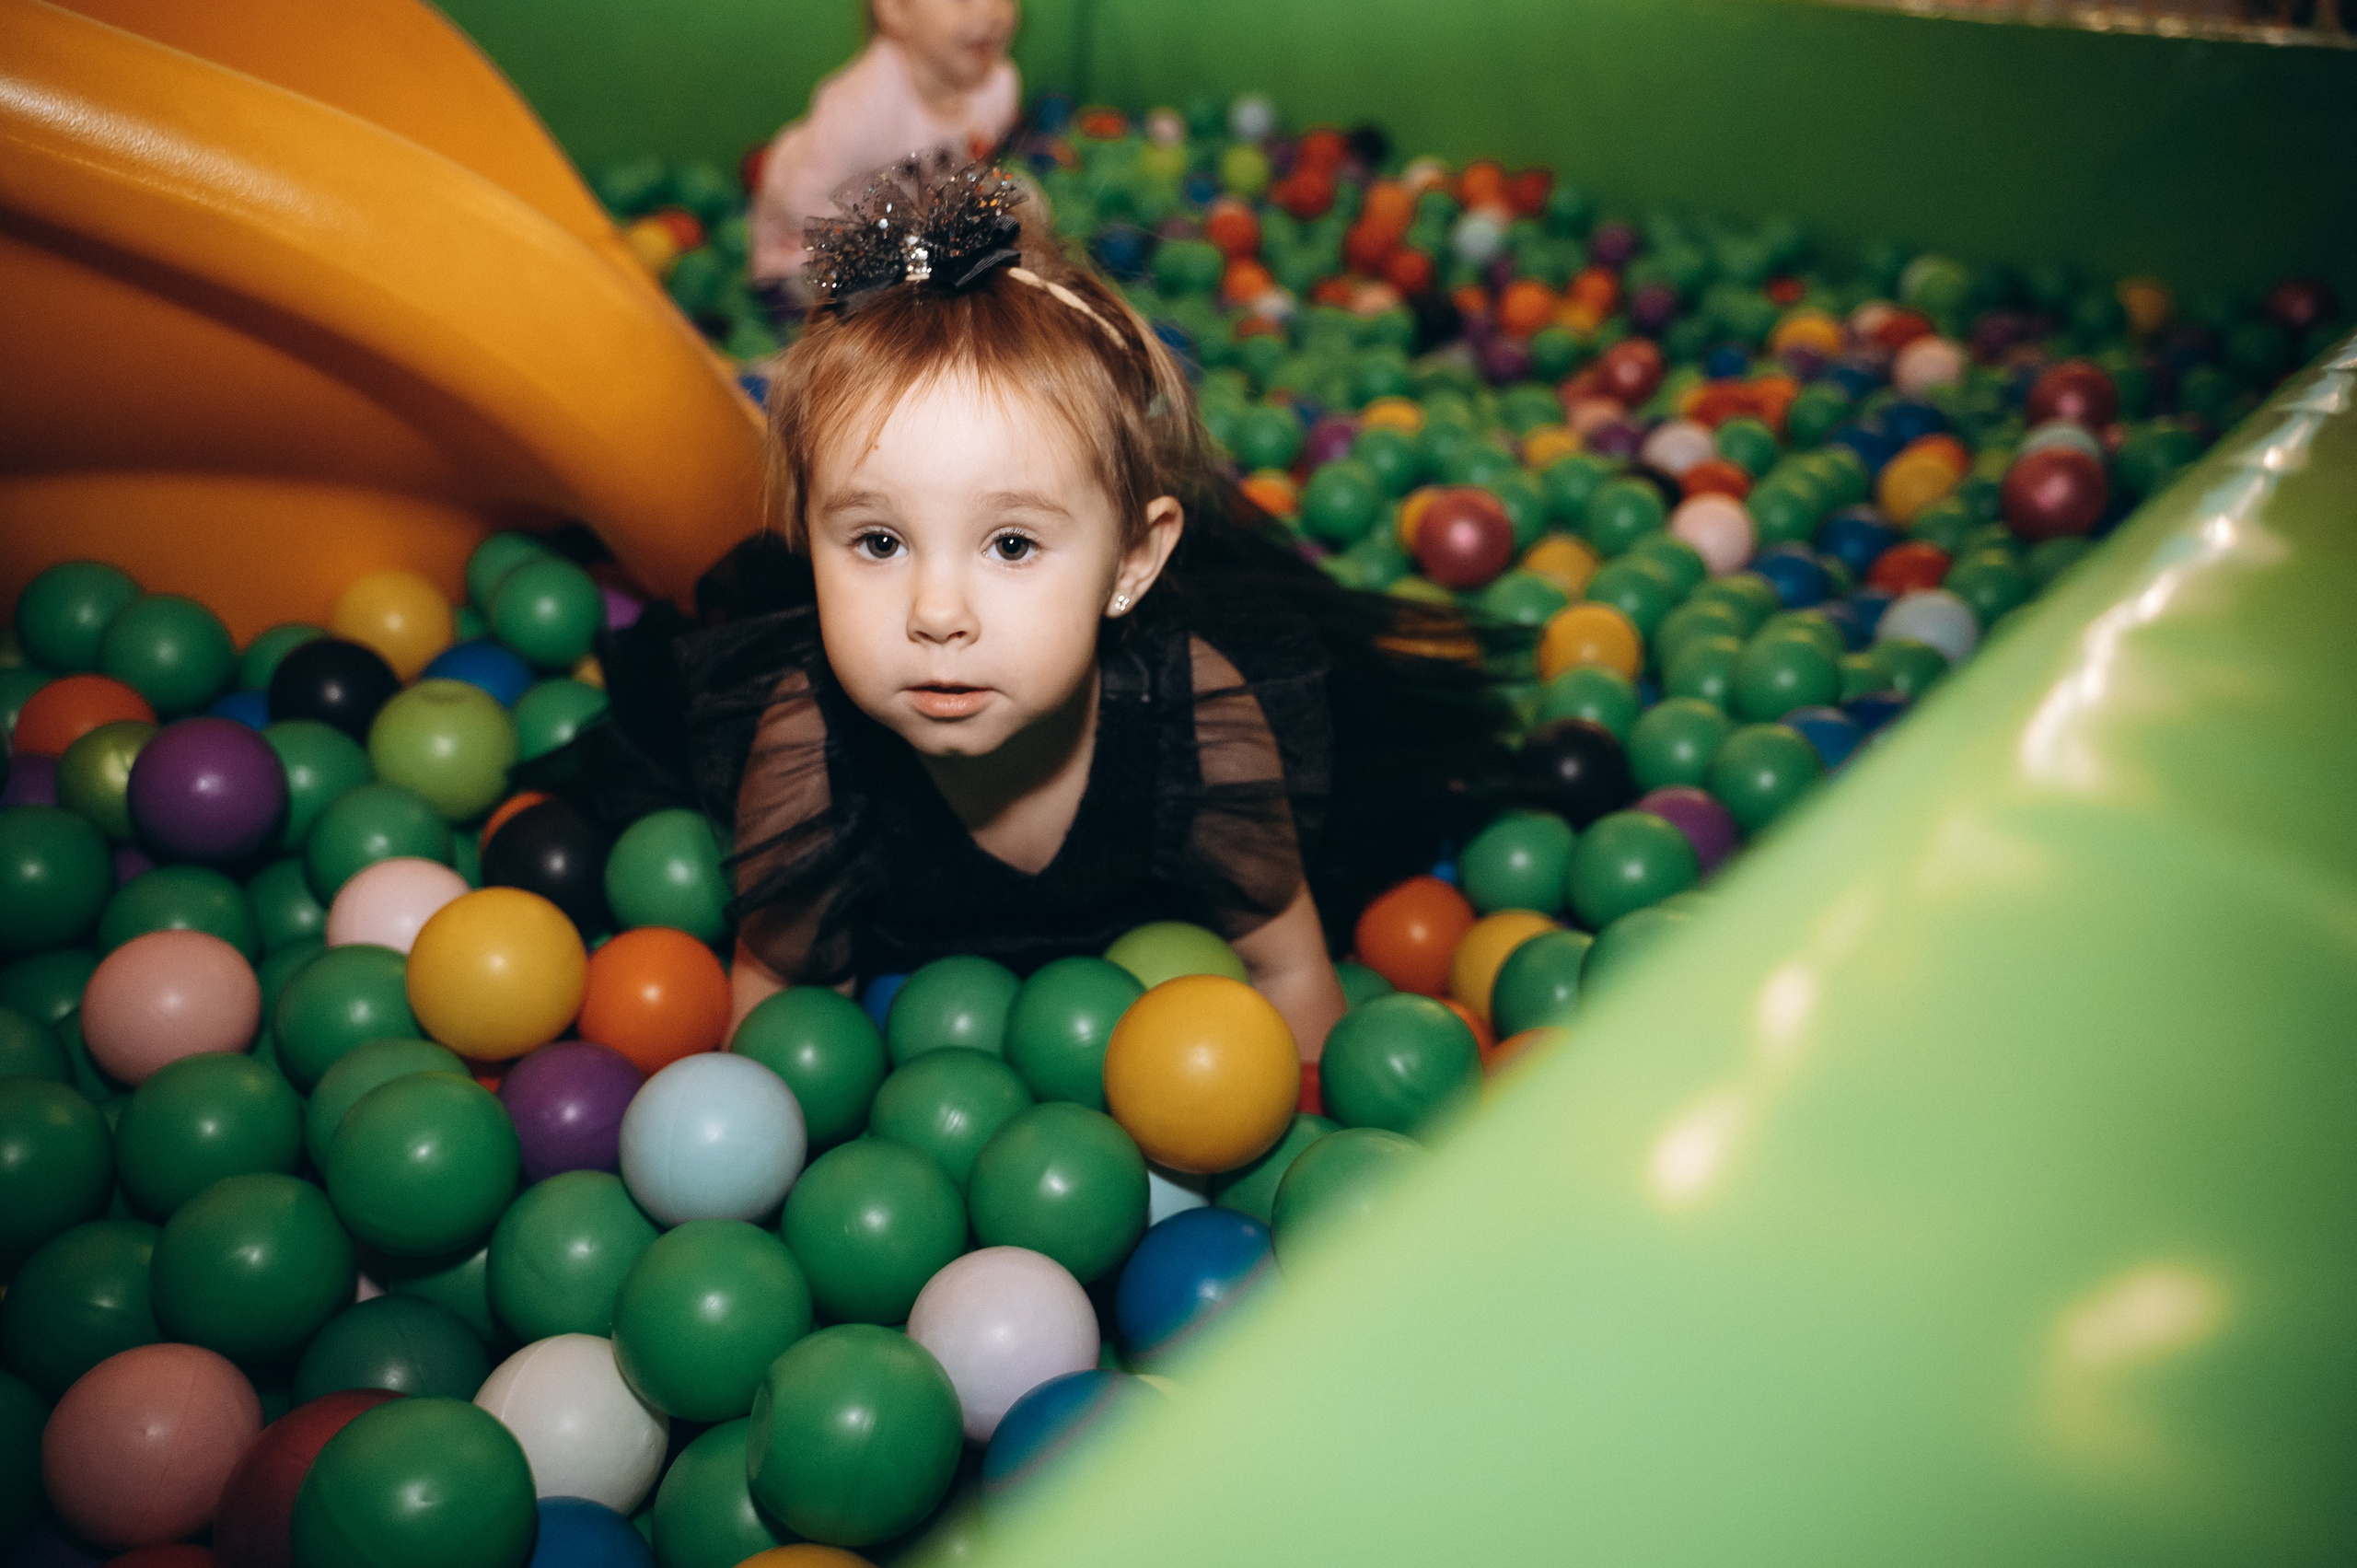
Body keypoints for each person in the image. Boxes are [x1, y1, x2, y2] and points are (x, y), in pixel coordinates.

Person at [531, 157, 1515, 1060]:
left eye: (1011, 544)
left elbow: (1290, 969)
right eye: (877, 542)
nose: (937, 611)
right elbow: (780, 1007)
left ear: (1130, 562)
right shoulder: (804, 752)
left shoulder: (1199, 720)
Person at [748, 0, 1020, 292]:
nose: (991, 11)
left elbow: (973, 169)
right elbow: (796, 200)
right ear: (894, 9)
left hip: (917, 228)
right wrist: (887, 243)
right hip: (808, 247)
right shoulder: (858, 110)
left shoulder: (999, 86)